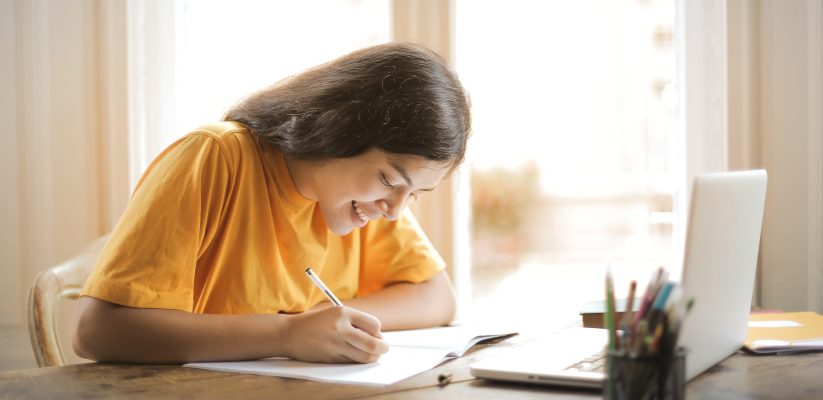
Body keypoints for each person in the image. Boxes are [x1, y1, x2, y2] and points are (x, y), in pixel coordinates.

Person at [73, 42, 471, 365]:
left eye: (414, 194)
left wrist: (327, 321)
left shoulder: (366, 202)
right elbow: (97, 331)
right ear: (338, 129)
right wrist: (288, 334)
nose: (396, 210)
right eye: (389, 180)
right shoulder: (215, 157)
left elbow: (437, 297)